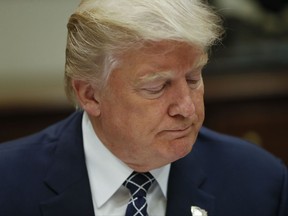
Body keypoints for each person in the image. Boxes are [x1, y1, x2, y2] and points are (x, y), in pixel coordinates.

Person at [0, 0, 287, 215]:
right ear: (90, 95)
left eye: (193, 78)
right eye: (157, 87)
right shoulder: (9, 185)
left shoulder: (259, 182)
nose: (186, 108)